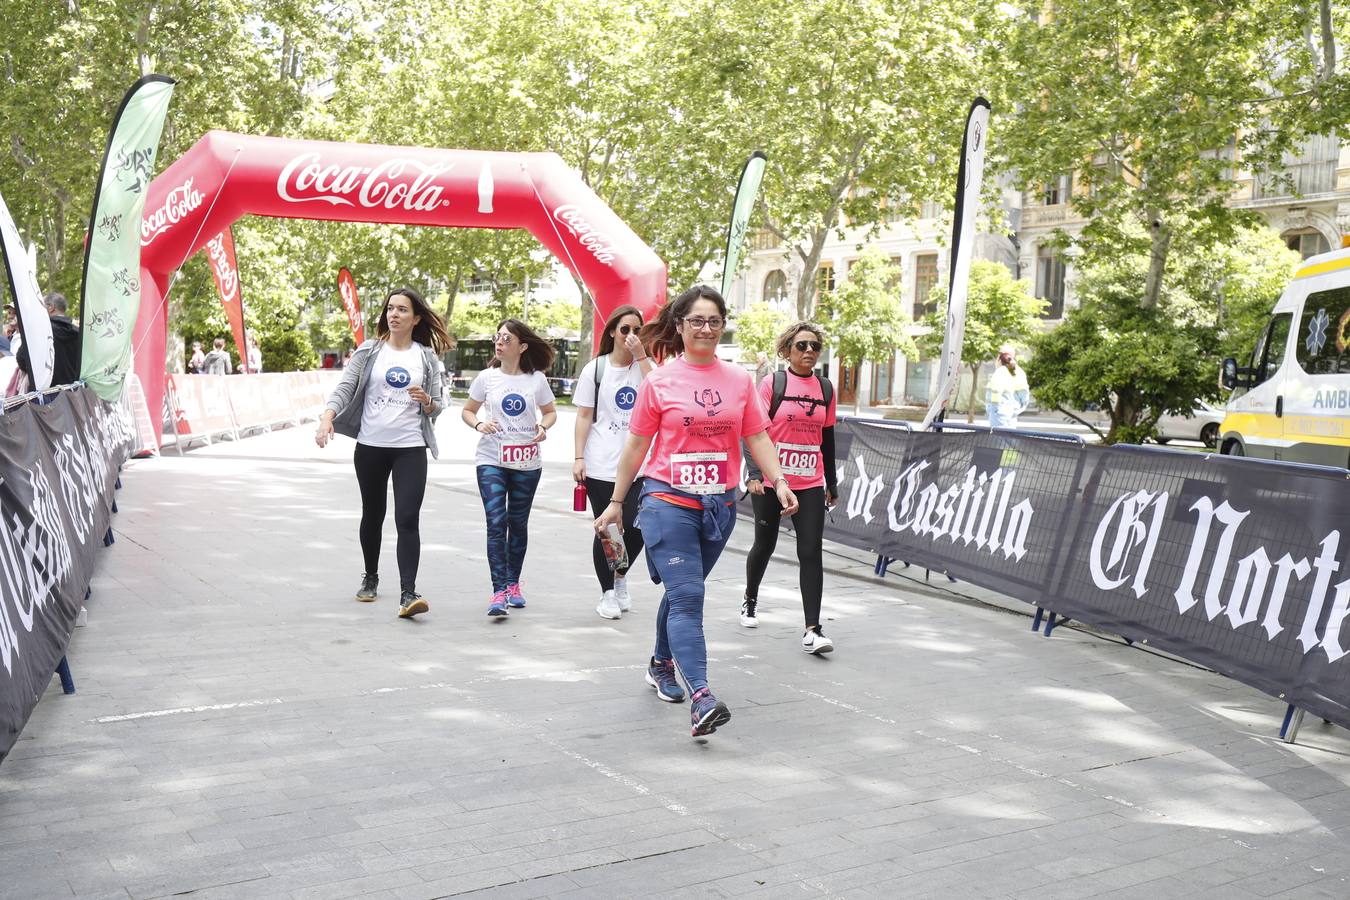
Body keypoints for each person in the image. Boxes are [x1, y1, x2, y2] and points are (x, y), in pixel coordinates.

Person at [595, 285, 799, 738]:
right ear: (680, 326)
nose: (705, 329)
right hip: (667, 500)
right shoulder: (660, 381)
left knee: (682, 592)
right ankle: (702, 696)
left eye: (713, 321)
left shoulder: (740, 380)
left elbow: (757, 436)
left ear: (722, 326)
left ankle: (660, 662)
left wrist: (779, 480)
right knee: (689, 596)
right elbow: (635, 446)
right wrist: (614, 503)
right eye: (696, 321)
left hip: (719, 504)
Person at [315, 288, 451, 619]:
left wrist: (427, 402)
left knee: (407, 517)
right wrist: (327, 418)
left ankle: (408, 593)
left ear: (416, 318)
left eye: (402, 310)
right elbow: (346, 388)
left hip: (410, 448)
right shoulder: (370, 351)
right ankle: (371, 576)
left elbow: (437, 404)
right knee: (373, 514)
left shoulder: (426, 357)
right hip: (371, 447)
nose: (394, 314)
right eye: (390, 308)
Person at [742, 321, 839, 654]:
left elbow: (827, 438)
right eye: (802, 346)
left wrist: (832, 482)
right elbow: (752, 430)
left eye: (814, 346)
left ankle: (813, 629)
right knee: (764, 544)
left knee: (810, 550)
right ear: (786, 351)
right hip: (772, 482)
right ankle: (750, 599)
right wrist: (754, 473)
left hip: (810, 483)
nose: (809, 351)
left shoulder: (826, 389)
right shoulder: (773, 384)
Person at [461, 318, 558, 618]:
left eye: (506, 338)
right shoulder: (487, 378)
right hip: (491, 459)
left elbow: (551, 412)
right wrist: (479, 423)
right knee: (495, 523)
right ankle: (498, 590)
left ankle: (514, 584)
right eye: (498, 337)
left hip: (527, 462)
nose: (499, 342)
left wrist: (543, 427)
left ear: (522, 346)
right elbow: (467, 410)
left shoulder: (536, 380)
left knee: (517, 525)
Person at [573, 304, 655, 620]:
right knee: (607, 529)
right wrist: (579, 457)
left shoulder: (646, 367)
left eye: (637, 330)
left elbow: (662, 392)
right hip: (601, 463)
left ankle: (620, 576)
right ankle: (608, 592)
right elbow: (583, 416)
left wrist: (642, 355)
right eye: (625, 330)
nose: (631, 336)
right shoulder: (596, 369)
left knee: (638, 527)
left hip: (641, 465)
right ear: (612, 332)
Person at [16, 292, 80, 385]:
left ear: (50, 307)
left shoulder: (41, 330)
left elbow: (23, 359)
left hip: (46, 394)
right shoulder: (78, 333)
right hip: (72, 393)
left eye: (40, 306)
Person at [985, 345, 1029, 428]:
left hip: (999, 416)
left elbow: (995, 392)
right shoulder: (1020, 372)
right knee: (1010, 438)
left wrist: (994, 410)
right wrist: (1016, 410)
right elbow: (1025, 396)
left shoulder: (1000, 372)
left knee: (999, 439)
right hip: (1012, 415)